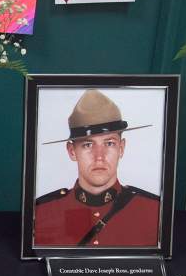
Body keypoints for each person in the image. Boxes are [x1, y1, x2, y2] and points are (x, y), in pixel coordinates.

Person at [34, 89, 160, 247]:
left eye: (109, 143)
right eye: (87, 144)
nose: (99, 156)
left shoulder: (154, 211)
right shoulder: (42, 212)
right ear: (72, 151)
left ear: (121, 148)